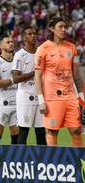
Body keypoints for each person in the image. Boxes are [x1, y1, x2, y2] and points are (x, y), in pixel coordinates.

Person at [35, 16, 84, 147]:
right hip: (52, 99)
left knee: (77, 130)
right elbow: (37, 76)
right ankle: (53, 164)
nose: (64, 29)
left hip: (71, 97)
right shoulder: (42, 49)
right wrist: (41, 100)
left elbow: (76, 75)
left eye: (65, 27)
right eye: (60, 27)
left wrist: (81, 97)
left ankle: (79, 164)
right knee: (52, 131)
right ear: (52, 29)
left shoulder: (72, 48)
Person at [12, 26, 47, 145]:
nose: (33, 36)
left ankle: (43, 161)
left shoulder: (41, 52)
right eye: (29, 34)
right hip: (25, 98)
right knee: (23, 130)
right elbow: (15, 78)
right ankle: (20, 160)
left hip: (41, 98)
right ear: (23, 38)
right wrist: (34, 72)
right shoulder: (19, 55)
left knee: (41, 131)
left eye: (34, 33)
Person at [0, 35, 19, 144]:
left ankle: (15, 159)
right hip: (2, 104)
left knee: (16, 132)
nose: (11, 44)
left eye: (12, 41)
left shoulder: (18, 61)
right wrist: (13, 80)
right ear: (1, 46)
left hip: (17, 103)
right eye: (7, 42)